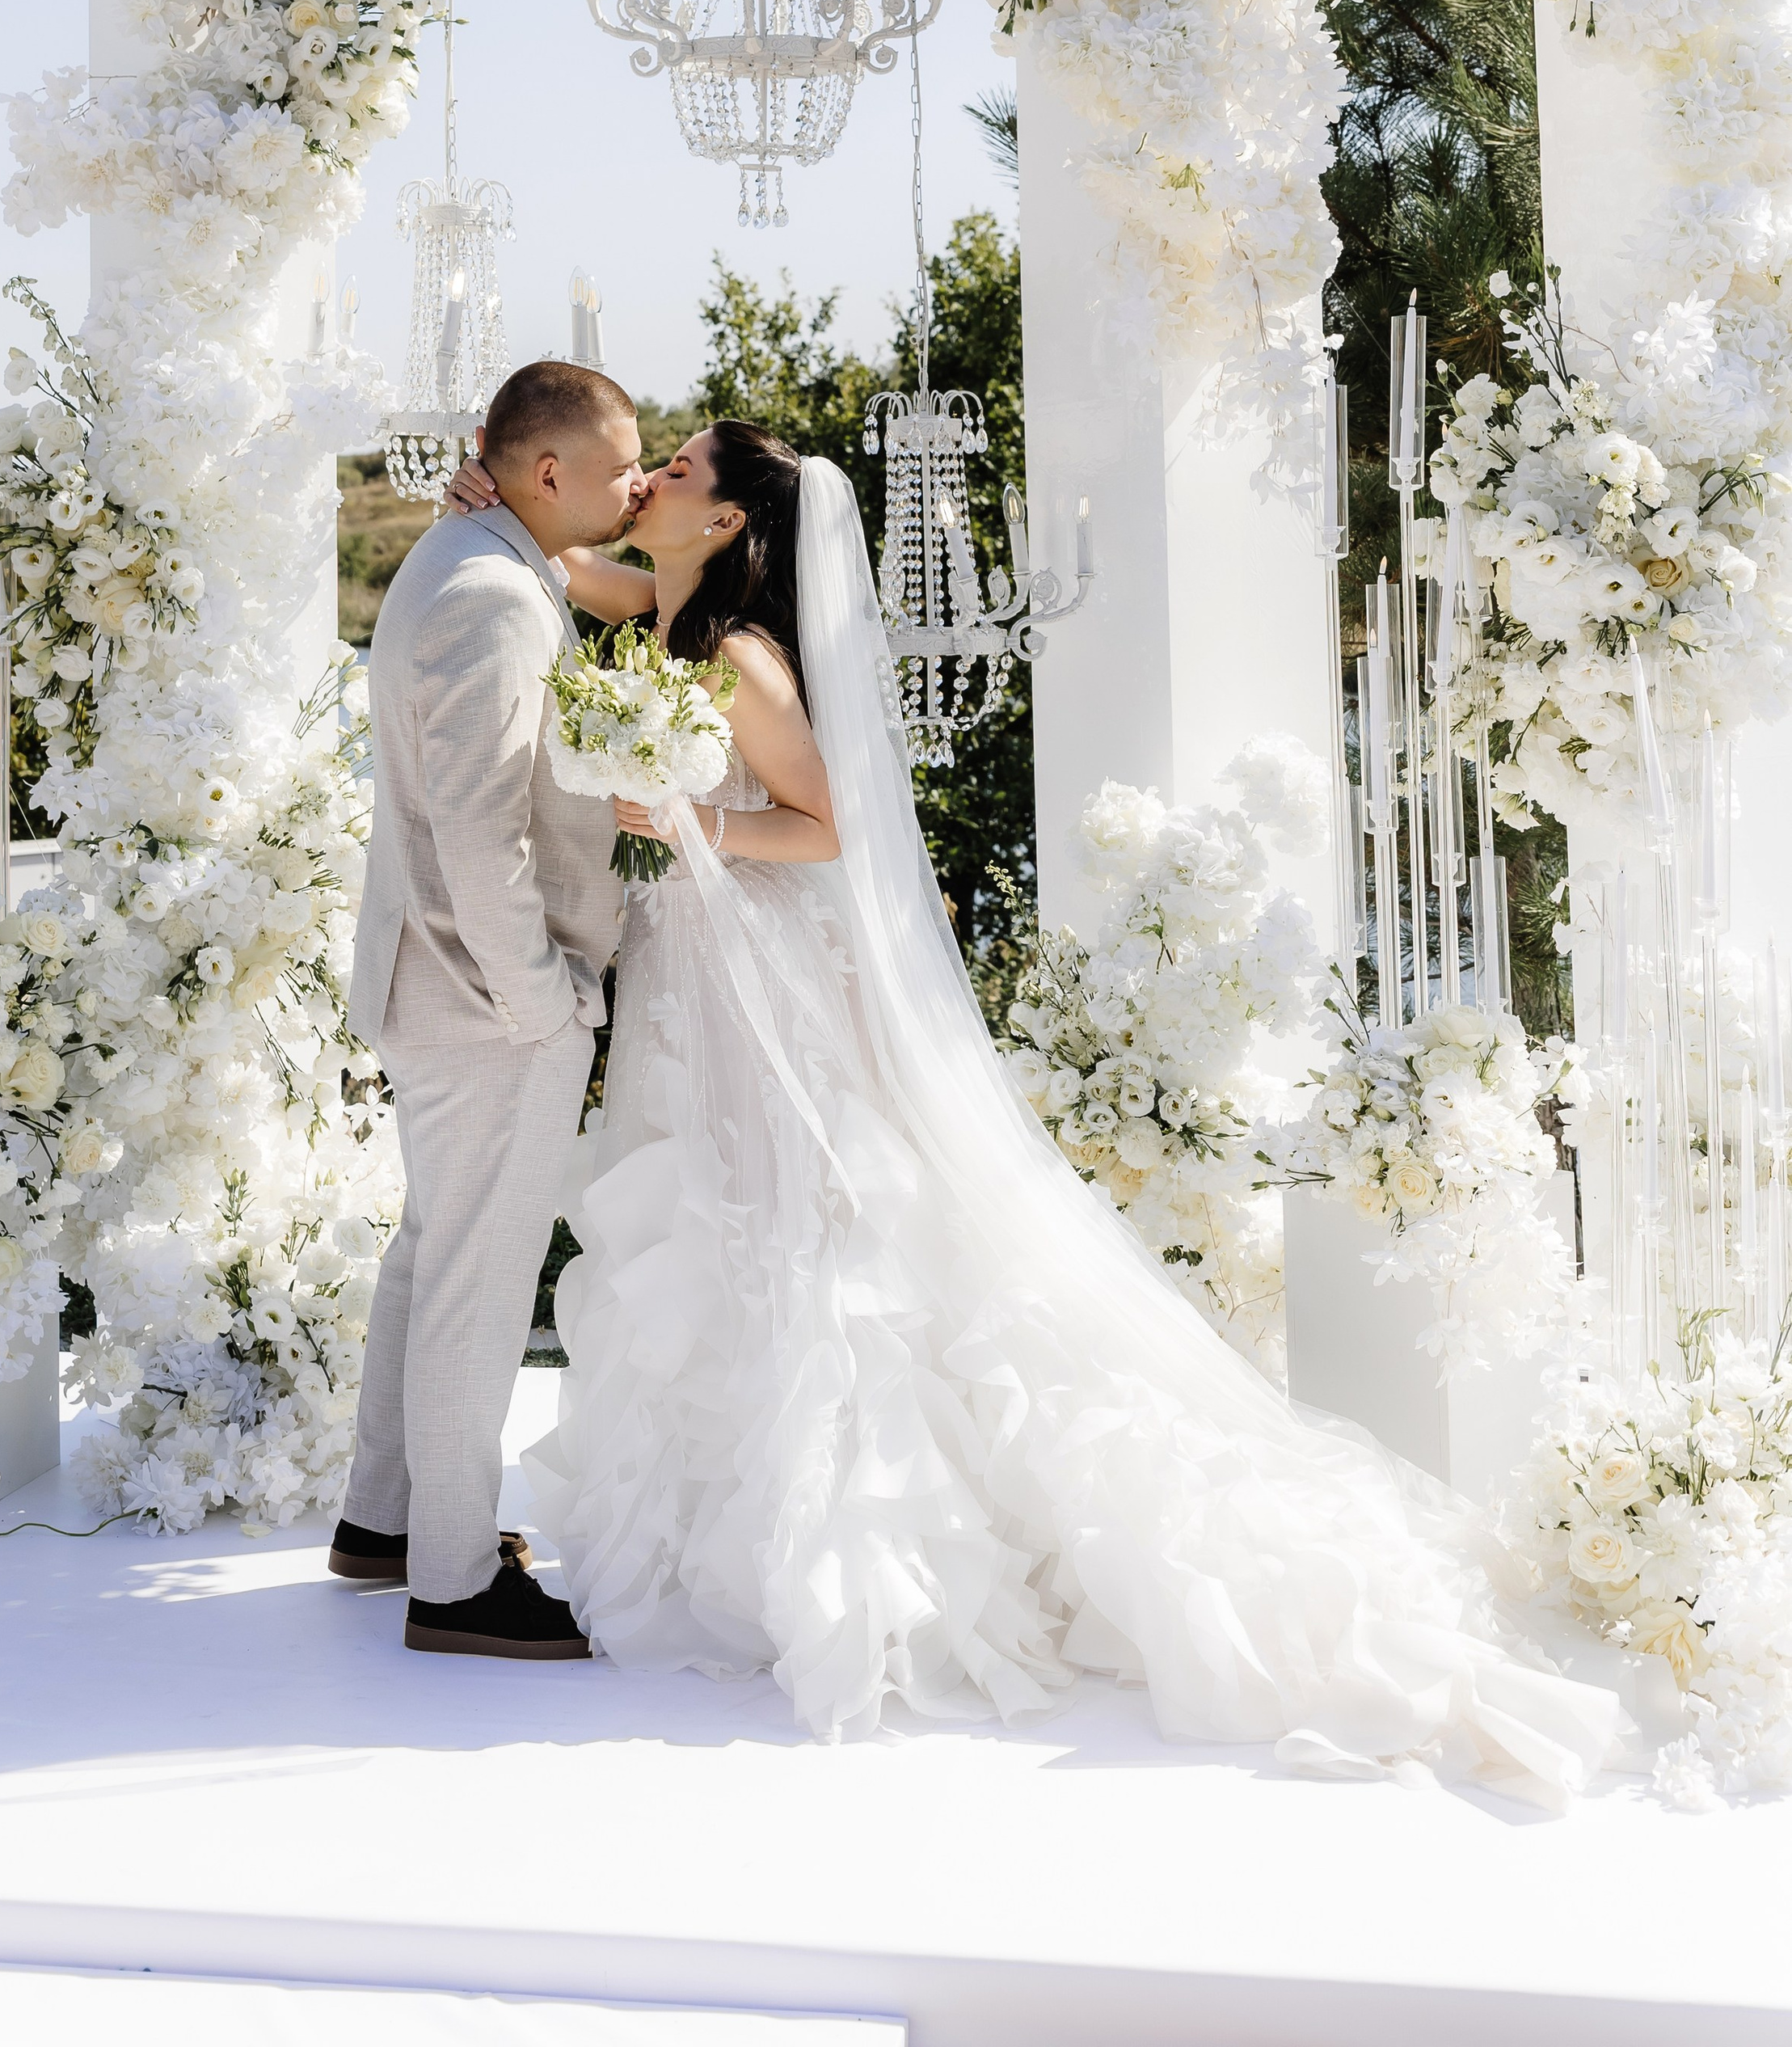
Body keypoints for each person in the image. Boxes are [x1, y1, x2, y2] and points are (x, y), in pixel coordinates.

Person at [441, 422, 1632, 1801]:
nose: (651, 480)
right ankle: (728, 1534)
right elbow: (574, 569)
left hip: (763, 973)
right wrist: (486, 505)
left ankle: (861, 1554)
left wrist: (690, 824)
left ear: (722, 525)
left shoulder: (739, 658)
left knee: (804, 1233)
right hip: (700, 978)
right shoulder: (671, 602)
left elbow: (828, 823)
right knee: (717, 1222)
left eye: (682, 472)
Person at [330, 359, 647, 1660]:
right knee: (476, 1275)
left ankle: (386, 1521)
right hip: (482, 999)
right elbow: (478, 833)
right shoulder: (492, 599)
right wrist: (544, 1005)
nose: (640, 477)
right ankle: (454, 1582)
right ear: (550, 472)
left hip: (442, 987)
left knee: (431, 1255)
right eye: (626, 461)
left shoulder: (484, 554)